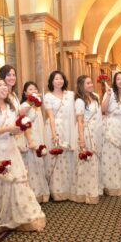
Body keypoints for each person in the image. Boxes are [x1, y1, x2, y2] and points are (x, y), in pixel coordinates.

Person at [0, 78, 46, 232]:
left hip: (10, 147)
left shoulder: (11, 106)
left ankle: (18, 216)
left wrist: (19, 129)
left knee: (16, 182)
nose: (4, 87)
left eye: (5, 85)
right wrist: (7, 128)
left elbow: (15, 129)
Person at [44, 71, 77, 201]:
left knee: (68, 157)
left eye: (61, 78)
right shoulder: (48, 96)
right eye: (56, 79)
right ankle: (57, 191)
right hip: (55, 128)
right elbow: (51, 116)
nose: (59, 81)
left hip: (69, 128)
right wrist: (53, 134)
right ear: (51, 81)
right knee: (56, 160)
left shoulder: (70, 95)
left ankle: (68, 189)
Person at [71, 75, 103, 204]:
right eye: (88, 83)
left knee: (94, 162)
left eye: (91, 82)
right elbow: (79, 122)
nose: (91, 84)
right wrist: (81, 139)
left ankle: (95, 189)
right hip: (86, 133)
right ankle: (87, 193)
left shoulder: (94, 97)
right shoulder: (79, 101)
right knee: (87, 163)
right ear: (81, 86)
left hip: (95, 132)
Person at [20, 81, 50, 203]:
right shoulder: (24, 106)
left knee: (39, 164)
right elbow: (24, 123)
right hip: (29, 137)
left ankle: (41, 192)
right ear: (25, 93)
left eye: (35, 89)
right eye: (30, 89)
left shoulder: (37, 106)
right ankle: (33, 193)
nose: (33, 91)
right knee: (30, 164)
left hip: (38, 135)